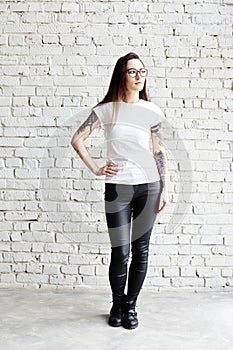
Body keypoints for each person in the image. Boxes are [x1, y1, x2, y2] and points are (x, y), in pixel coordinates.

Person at [71, 52, 169, 330]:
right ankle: (116, 303)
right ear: (121, 75)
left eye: (142, 71)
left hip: (149, 187)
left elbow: (158, 151)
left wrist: (165, 188)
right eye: (132, 72)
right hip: (118, 189)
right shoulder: (106, 110)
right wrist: (95, 167)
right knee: (121, 251)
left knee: (141, 250)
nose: (139, 77)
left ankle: (131, 306)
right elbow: (77, 139)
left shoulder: (152, 111)